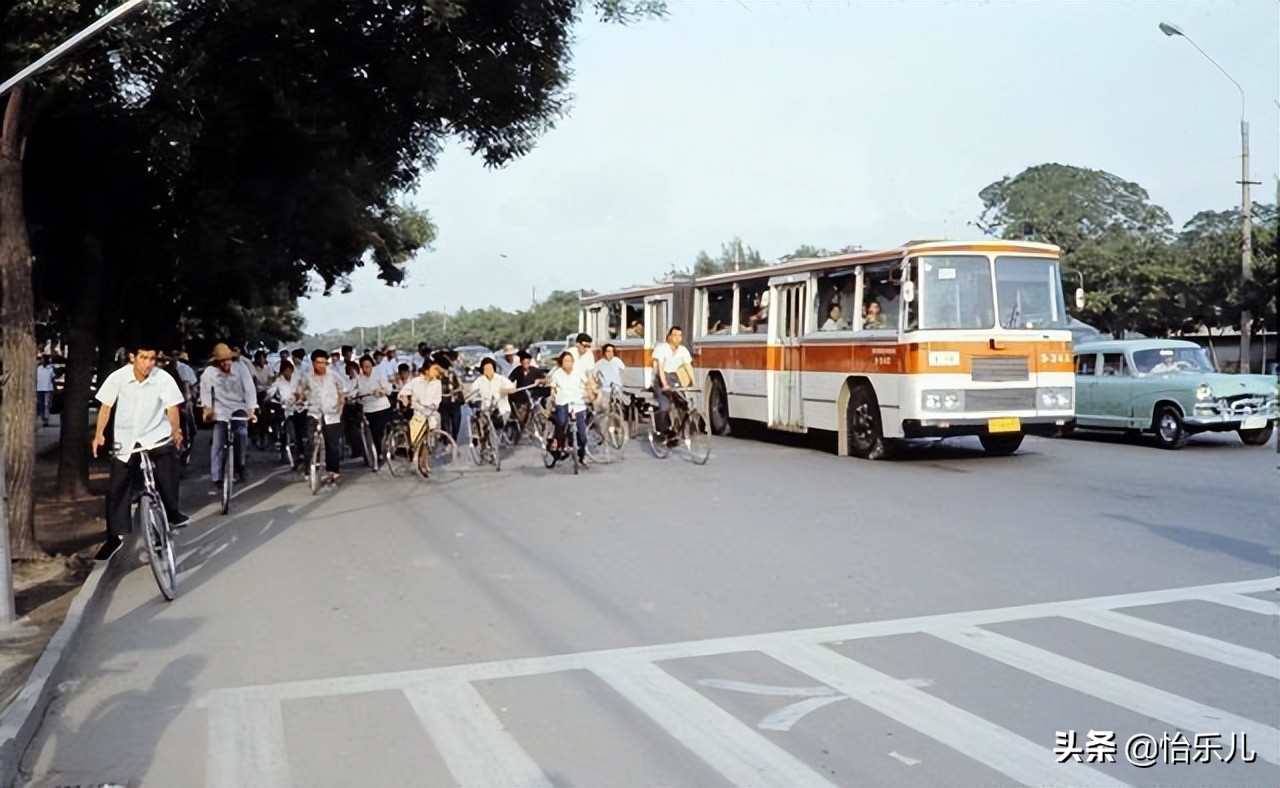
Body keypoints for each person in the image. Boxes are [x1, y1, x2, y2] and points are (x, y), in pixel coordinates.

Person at [91, 342, 190, 561]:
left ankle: (172, 512)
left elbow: (172, 407)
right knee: (117, 488)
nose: (147, 364)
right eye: (143, 358)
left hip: (156, 435)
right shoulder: (118, 378)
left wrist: (175, 430)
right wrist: (99, 434)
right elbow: (105, 407)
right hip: (126, 440)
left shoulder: (162, 378)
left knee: (168, 469)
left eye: (152, 358)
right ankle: (114, 538)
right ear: (132, 357)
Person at [199, 342, 258, 495]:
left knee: (241, 436)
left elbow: (250, 390)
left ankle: (240, 467)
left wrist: (251, 410)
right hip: (220, 409)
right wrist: (207, 410)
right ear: (217, 362)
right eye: (223, 361)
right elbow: (205, 392)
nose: (226, 364)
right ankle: (216, 478)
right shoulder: (209, 373)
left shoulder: (241, 369)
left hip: (239, 406)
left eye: (228, 360)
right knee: (218, 442)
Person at [294, 349, 346, 484]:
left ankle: (333, 471)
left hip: (332, 413)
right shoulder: (307, 377)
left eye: (324, 363)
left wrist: (340, 408)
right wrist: (300, 399)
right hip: (314, 412)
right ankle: (307, 467)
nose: (321, 366)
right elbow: (300, 392)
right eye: (318, 363)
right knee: (311, 442)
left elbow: (342, 392)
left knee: (332, 444)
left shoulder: (334, 375)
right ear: (313, 363)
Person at [652, 325, 694, 446]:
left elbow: (688, 366)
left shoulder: (683, 350)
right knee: (665, 406)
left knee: (683, 405)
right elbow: (660, 367)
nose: (677, 338)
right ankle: (665, 433)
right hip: (662, 378)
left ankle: (680, 432)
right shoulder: (662, 348)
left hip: (675, 378)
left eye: (679, 335)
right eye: (674, 335)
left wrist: (693, 382)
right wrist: (664, 384)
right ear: (669, 336)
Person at [548, 351, 592, 466]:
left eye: (570, 361)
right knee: (561, 423)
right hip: (563, 402)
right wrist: (553, 392)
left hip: (578, 404)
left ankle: (581, 456)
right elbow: (553, 386)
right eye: (565, 361)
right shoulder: (557, 374)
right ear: (561, 362)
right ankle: (559, 444)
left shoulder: (578, 372)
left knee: (582, 435)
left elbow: (588, 384)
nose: (568, 363)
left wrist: (590, 392)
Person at [266, 360, 306, 466]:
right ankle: (284, 451)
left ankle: (301, 450)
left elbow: (303, 391)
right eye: (286, 371)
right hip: (284, 408)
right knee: (283, 429)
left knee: (300, 429)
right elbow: (270, 392)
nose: (288, 373)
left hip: (297, 408)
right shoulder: (278, 381)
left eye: (290, 371)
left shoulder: (297, 380)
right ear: (283, 372)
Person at [398, 358, 444, 446]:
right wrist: (405, 400)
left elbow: (438, 400)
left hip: (432, 413)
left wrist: (432, 407)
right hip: (419, 414)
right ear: (426, 370)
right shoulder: (416, 382)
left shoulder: (437, 383)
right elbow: (402, 393)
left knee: (430, 441)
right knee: (417, 442)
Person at [355, 354, 394, 457]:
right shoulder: (360, 379)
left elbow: (389, 390)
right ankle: (377, 453)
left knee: (381, 431)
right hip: (369, 408)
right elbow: (357, 392)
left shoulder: (379, 375)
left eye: (368, 366)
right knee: (372, 433)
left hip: (381, 407)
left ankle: (385, 450)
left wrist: (382, 391)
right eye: (364, 367)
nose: (367, 369)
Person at [467, 357, 517, 436]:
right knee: (481, 420)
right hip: (486, 409)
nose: (488, 371)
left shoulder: (501, 379)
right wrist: (472, 399)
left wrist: (506, 389)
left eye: (490, 368)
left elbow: (512, 386)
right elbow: (472, 392)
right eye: (486, 368)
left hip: (501, 408)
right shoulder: (479, 381)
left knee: (501, 419)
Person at [434, 351, 464, 441]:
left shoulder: (453, 374)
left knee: (456, 423)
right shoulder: (436, 377)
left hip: (454, 402)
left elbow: (461, 386)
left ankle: (454, 440)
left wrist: (454, 391)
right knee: (445, 423)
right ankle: (447, 441)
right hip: (443, 403)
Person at [594, 343, 627, 408]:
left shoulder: (617, 361)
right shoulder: (600, 363)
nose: (610, 353)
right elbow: (593, 373)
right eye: (608, 351)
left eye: (612, 351)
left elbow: (624, 371)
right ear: (604, 352)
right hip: (605, 388)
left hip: (616, 387)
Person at [35, 354, 56, 427]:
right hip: (39, 388)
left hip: (47, 388)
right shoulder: (38, 368)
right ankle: (43, 417)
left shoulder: (50, 369)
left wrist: (54, 387)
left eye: (43, 359)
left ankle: (46, 419)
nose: (41, 360)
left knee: (46, 404)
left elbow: (53, 378)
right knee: (41, 405)